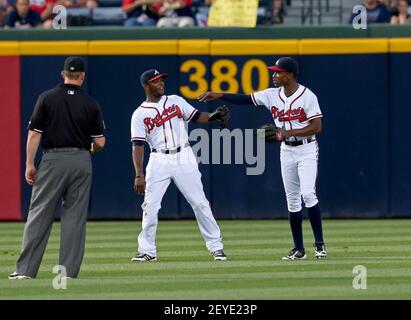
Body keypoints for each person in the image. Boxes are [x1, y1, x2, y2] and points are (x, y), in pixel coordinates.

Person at [198, 57, 327, 261]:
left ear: (290, 75)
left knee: (308, 194)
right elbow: (245, 99)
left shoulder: (307, 96)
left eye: (278, 72)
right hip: (286, 151)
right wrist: (219, 95)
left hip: (307, 149)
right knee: (292, 201)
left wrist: (287, 132)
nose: (274, 75)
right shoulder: (271, 95)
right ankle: (299, 249)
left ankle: (320, 246)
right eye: (273, 72)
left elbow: (317, 127)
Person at [9, 56, 106, 280]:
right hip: (81, 160)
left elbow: (34, 134)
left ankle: (25, 271)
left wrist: (29, 164)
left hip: (53, 159)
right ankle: (67, 273)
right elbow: (100, 142)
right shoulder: (91, 103)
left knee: (40, 213)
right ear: (82, 76)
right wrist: (82, 153)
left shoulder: (47, 98)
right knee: (74, 217)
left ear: (63, 74)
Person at [130, 68, 227, 262]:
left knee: (200, 202)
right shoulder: (139, 114)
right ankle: (147, 250)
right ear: (146, 85)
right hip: (158, 159)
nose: (161, 83)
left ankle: (216, 247)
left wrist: (214, 116)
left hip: (184, 155)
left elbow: (197, 116)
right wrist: (139, 174)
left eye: (162, 80)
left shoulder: (175, 100)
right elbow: (137, 145)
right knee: (150, 206)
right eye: (157, 81)